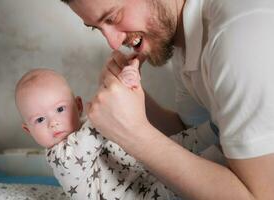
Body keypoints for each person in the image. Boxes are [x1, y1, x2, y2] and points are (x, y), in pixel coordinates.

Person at [60, 0, 274, 199]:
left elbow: (261, 196)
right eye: (96, 28)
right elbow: (193, 135)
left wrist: (135, 135)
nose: (114, 43)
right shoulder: (185, 40)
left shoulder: (237, 40)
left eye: (113, 18)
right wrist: (132, 96)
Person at [15, 68, 215, 199]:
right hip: (134, 196)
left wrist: (123, 86)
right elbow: (101, 123)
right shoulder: (61, 157)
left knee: (174, 146)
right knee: (182, 184)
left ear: (78, 106)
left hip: (139, 175)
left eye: (59, 109)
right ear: (28, 130)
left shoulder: (85, 126)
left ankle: (214, 130)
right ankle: (221, 156)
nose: (53, 123)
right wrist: (118, 90)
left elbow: (112, 127)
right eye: (40, 120)